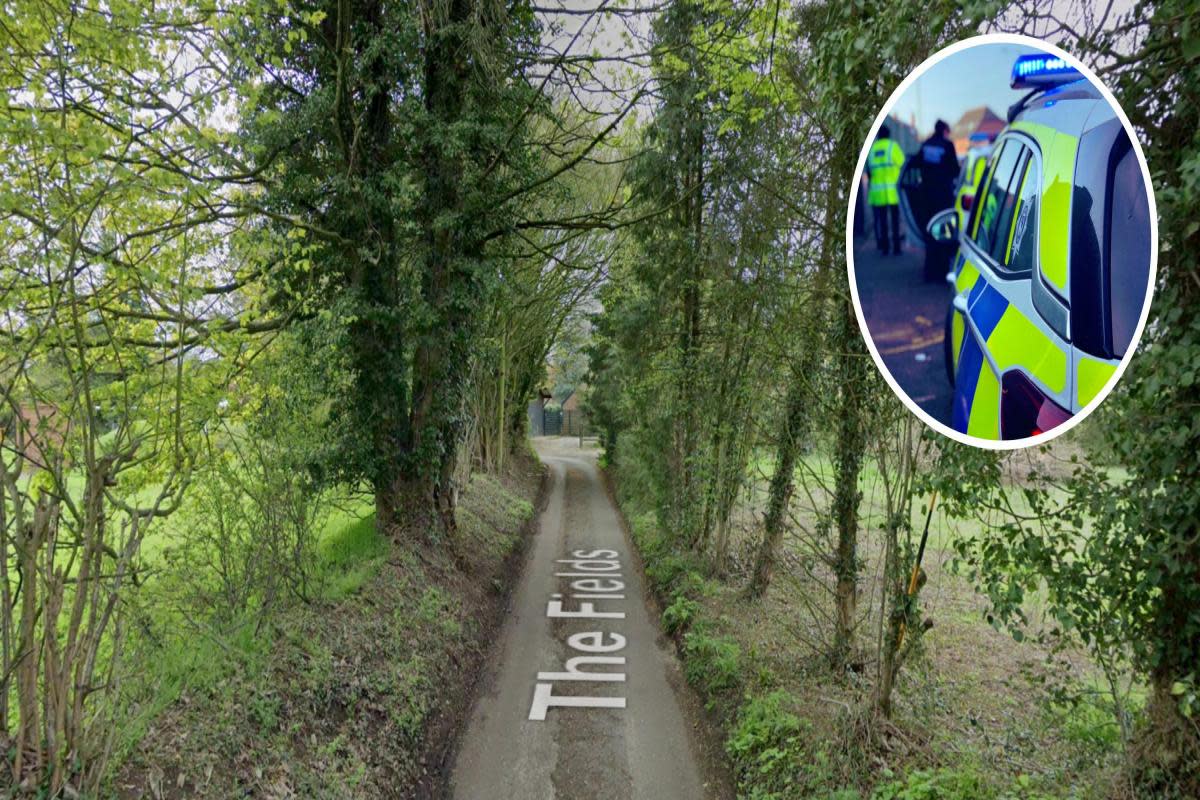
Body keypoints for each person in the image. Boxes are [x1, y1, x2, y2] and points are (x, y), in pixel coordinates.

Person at [917, 119, 960, 281]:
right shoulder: (947, 145)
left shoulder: (925, 144)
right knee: (944, 232)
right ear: (944, 131)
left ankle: (929, 272)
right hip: (943, 197)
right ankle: (942, 272)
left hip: (927, 197)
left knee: (929, 233)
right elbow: (955, 170)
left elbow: (916, 164)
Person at [866, 125, 905, 255]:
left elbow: (869, 172)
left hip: (877, 193)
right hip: (892, 191)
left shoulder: (872, 150)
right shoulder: (892, 147)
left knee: (882, 221)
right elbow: (902, 163)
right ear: (888, 135)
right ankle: (896, 248)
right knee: (895, 220)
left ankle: (885, 248)